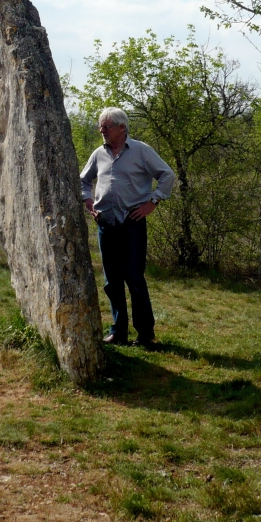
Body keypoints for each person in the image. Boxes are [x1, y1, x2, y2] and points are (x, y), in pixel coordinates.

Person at [80, 107, 175, 346]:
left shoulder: (141, 151)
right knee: (112, 281)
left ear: (122, 128)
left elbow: (167, 175)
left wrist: (152, 202)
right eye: (101, 125)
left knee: (134, 277)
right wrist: (89, 202)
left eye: (106, 126)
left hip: (132, 224)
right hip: (105, 225)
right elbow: (83, 180)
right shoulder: (98, 154)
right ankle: (118, 332)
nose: (102, 130)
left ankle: (145, 335)